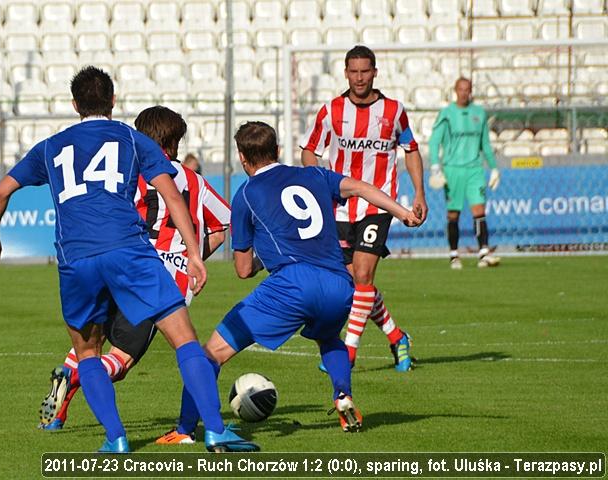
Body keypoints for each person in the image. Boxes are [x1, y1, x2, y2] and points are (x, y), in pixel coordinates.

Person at [0, 67, 257, 453]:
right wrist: (194, 253)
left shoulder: (50, 146)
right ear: (113, 100)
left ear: (74, 104)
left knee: (87, 352)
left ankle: (117, 438)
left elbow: (0, 193)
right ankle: (213, 430)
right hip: (129, 250)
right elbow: (174, 197)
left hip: (75, 258)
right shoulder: (132, 138)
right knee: (184, 340)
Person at [157, 121, 421, 440]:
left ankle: (185, 429)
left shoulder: (247, 195)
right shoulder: (314, 175)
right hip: (338, 283)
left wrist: (261, 257)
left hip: (292, 283)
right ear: (278, 151)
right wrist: (403, 213)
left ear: (242, 157)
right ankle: (342, 395)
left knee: (211, 353)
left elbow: (242, 269)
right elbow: (362, 188)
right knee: (329, 339)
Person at [38, 106, 231, 440]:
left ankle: (71, 377)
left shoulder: (133, 173)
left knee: (93, 338)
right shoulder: (195, 180)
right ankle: (78, 377)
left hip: (122, 266)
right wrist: (193, 255)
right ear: (175, 143)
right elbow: (222, 223)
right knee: (123, 359)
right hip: (164, 277)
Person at [299, 45, 427, 372]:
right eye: (353, 72)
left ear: (374, 72)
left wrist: (419, 193)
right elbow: (309, 151)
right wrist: (317, 184)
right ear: (345, 73)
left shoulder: (394, 111)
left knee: (365, 273)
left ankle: (348, 353)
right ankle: (397, 337)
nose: (359, 78)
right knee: (354, 282)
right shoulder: (331, 111)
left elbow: (410, 150)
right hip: (339, 209)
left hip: (378, 205)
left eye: (364, 71)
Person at [428, 77, 501, 269]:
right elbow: (435, 141)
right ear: (455, 90)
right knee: (453, 214)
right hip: (452, 169)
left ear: (471, 91)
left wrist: (494, 168)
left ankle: (484, 252)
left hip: (475, 169)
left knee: (479, 210)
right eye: (460, 89)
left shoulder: (479, 113)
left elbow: (485, 143)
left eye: (467, 89)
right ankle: (454, 254)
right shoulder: (447, 113)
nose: (464, 93)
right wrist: (435, 166)